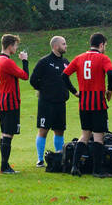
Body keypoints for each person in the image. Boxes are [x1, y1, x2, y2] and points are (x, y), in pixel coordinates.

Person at [63, 33, 112, 178]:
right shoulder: (103, 58)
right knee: (99, 137)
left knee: (85, 135)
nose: (105, 48)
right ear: (101, 45)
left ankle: (75, 166)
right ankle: (97, 171)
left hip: (84, 103)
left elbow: (64, 75)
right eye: (105, 45)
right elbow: (111, 73)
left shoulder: (79, 58)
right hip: (98, 103)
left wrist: (74, 91)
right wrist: (109, 90)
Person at [29, 36, 77, 167]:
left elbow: (67, 81)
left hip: (61, 102)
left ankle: (59, 158)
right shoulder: (44, 62)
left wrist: (74, 92)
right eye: (64, 44)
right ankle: (40, 159)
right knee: (43, 130)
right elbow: (33, 80)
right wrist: (43, 90)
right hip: (46, 102)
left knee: (60, 130)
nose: (66, 46)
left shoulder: (66, 62)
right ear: (56, 46)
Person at [0, 34, 30, 174]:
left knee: (4, 133)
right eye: (15, 45)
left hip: (0, 101)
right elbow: (25, 76)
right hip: (10, 102)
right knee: (8, 134)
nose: (16, 48)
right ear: (10, 46)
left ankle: (4, 164)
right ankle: (4, 166)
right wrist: (24, 61)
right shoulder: (7, 62)